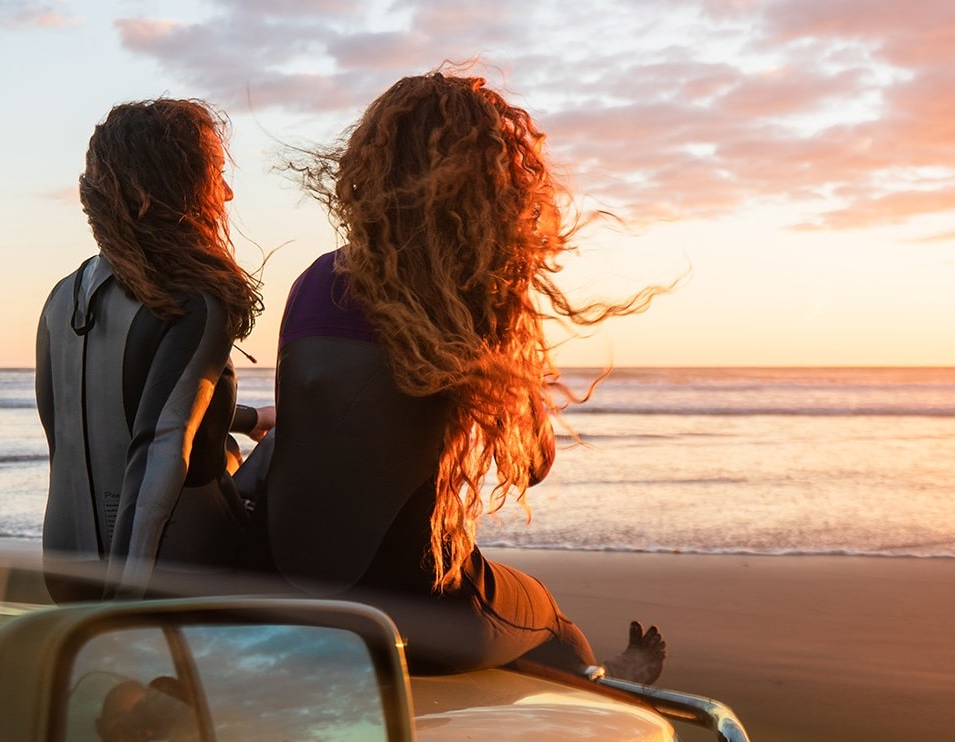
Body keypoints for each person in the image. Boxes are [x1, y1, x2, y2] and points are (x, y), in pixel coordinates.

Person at [261, 69, 665, 679]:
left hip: (290, 586)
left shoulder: (314, 280)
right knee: (552, 622)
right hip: (420, 614)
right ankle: (612, 686)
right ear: (491, 186)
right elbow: (532, 466)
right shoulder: (470, 301)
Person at [37, 98, 273, 592]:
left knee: (239, 447)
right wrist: (122, 611)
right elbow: (159, 452)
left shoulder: (61, 297)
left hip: (63, 571)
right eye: (216, 175)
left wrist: (251, 419)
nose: (226, 194)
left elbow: (111, 416)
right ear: (177, 187)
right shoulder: (194, 297)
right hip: (176, 576)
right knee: (293, 451)